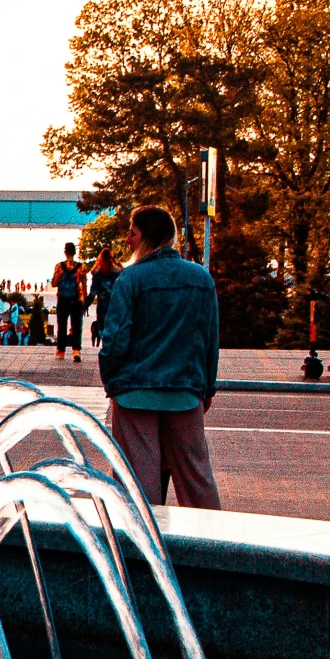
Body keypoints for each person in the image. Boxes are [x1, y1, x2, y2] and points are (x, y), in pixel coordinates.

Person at [94, 205, 222, 508]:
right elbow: (210, 340)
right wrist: (207, 389)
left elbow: (115, 340)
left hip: (134, 392)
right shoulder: (201, 279)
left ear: (147, 238)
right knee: (195, 476)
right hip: (185, 391)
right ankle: (213, 545)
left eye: (132, 233)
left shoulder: (130, 280)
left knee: (139, 480)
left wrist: (111, 381)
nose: (127, 240)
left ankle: (142, 548)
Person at [53, 244, 87, 362]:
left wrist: (59, 277)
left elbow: (54, 283)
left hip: (62, 300)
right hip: (76, 300)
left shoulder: (59, 266)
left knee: (62, 326)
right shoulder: (81, 267)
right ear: (75, 252)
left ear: (65, 252)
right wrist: (85, 302)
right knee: (77, 326)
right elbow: (84, 285)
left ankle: (61, 351)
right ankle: (76, 351)